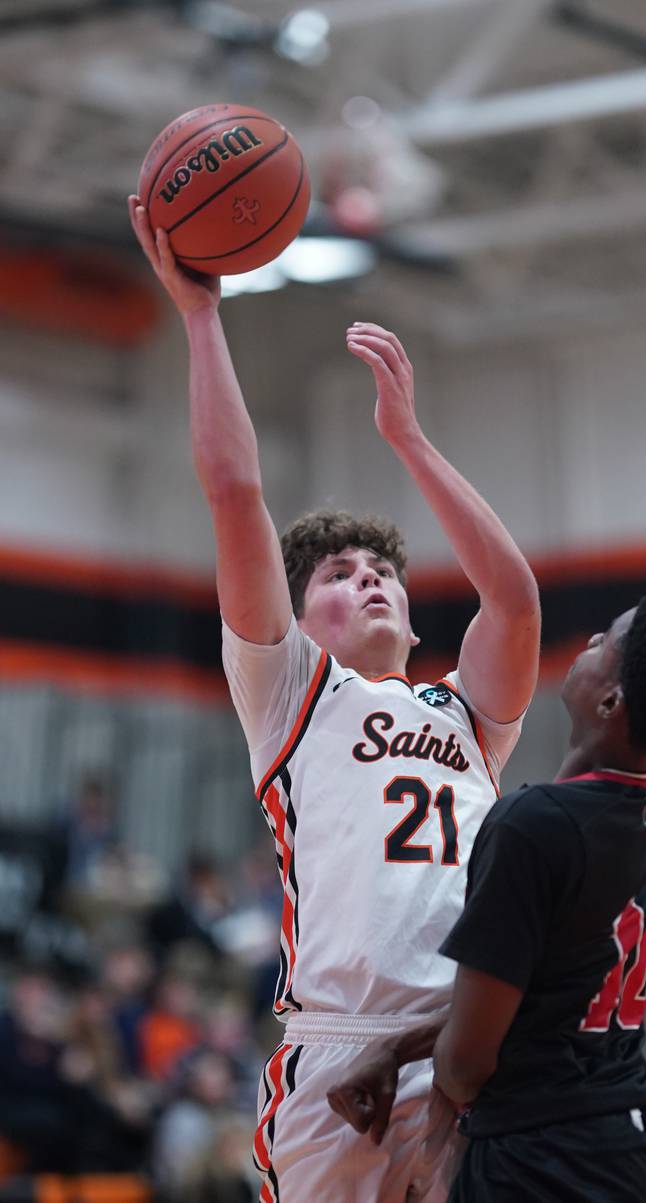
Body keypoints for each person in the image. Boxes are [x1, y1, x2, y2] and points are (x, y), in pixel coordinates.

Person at [128, 197, 540, 1202]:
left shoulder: (466, 718)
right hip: (336, 1051)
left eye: (384, 572)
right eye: (340, 575)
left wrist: (406, 438)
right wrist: (197, 314)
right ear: (299, 619)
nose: (370, 581)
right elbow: (233, 489)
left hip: (454, 1054)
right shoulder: (293, 694)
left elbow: (514, 601)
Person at [328, 584, 646, 1203]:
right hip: (630, 1146)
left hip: (541, 1163)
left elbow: (468, 1063)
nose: (590, 642)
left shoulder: (533, 824)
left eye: (608, 641)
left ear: (611, 699)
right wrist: (397, 1048)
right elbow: (538, 1000)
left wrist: (437, 1147)